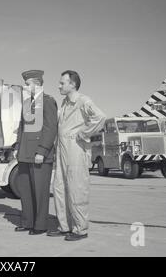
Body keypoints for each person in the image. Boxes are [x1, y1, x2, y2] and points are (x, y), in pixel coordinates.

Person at [48, 70, 106, 241]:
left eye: (62, 83)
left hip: (75, 149)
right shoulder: (65, 103)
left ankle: (80, 229)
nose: (59, 86)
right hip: (61, 149)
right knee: (59, 188)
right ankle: (64, 226)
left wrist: (84, 133)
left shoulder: (83, 101)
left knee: (76, 188)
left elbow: (100, 117)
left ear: (72, 84)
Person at [14, 70, 58, 235]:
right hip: (24, 153)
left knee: (40, 191)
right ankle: (27, 222)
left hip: (39, 155)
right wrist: (17, 146)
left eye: (27, 84)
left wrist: (42, 151)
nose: (25, 87)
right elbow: (21, 127)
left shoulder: (48, 101)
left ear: (36, 83)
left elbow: (50, 128)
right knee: (25, 190)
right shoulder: (27, 103)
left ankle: (40, 225)